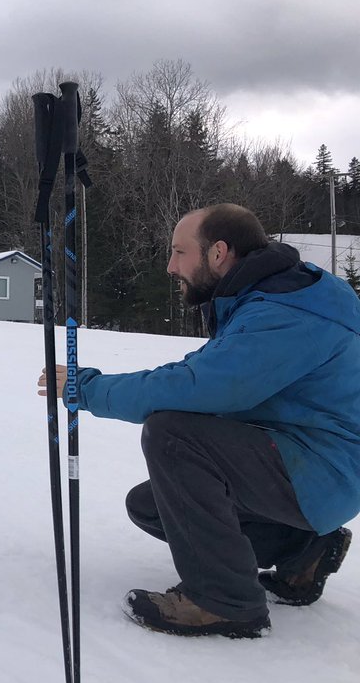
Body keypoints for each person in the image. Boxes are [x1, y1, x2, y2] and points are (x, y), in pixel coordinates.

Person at [40, 203, 357, 638]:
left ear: (218, 252)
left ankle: (225, 602)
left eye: (179, 252)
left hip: (326, 469)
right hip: (316, 461)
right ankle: (303, 550)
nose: (171, 267)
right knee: (152, 507)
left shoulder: (285, 314)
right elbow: (205, 373)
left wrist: (88, 389)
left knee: (173, 435)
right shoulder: (276, 294)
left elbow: (200, 387)